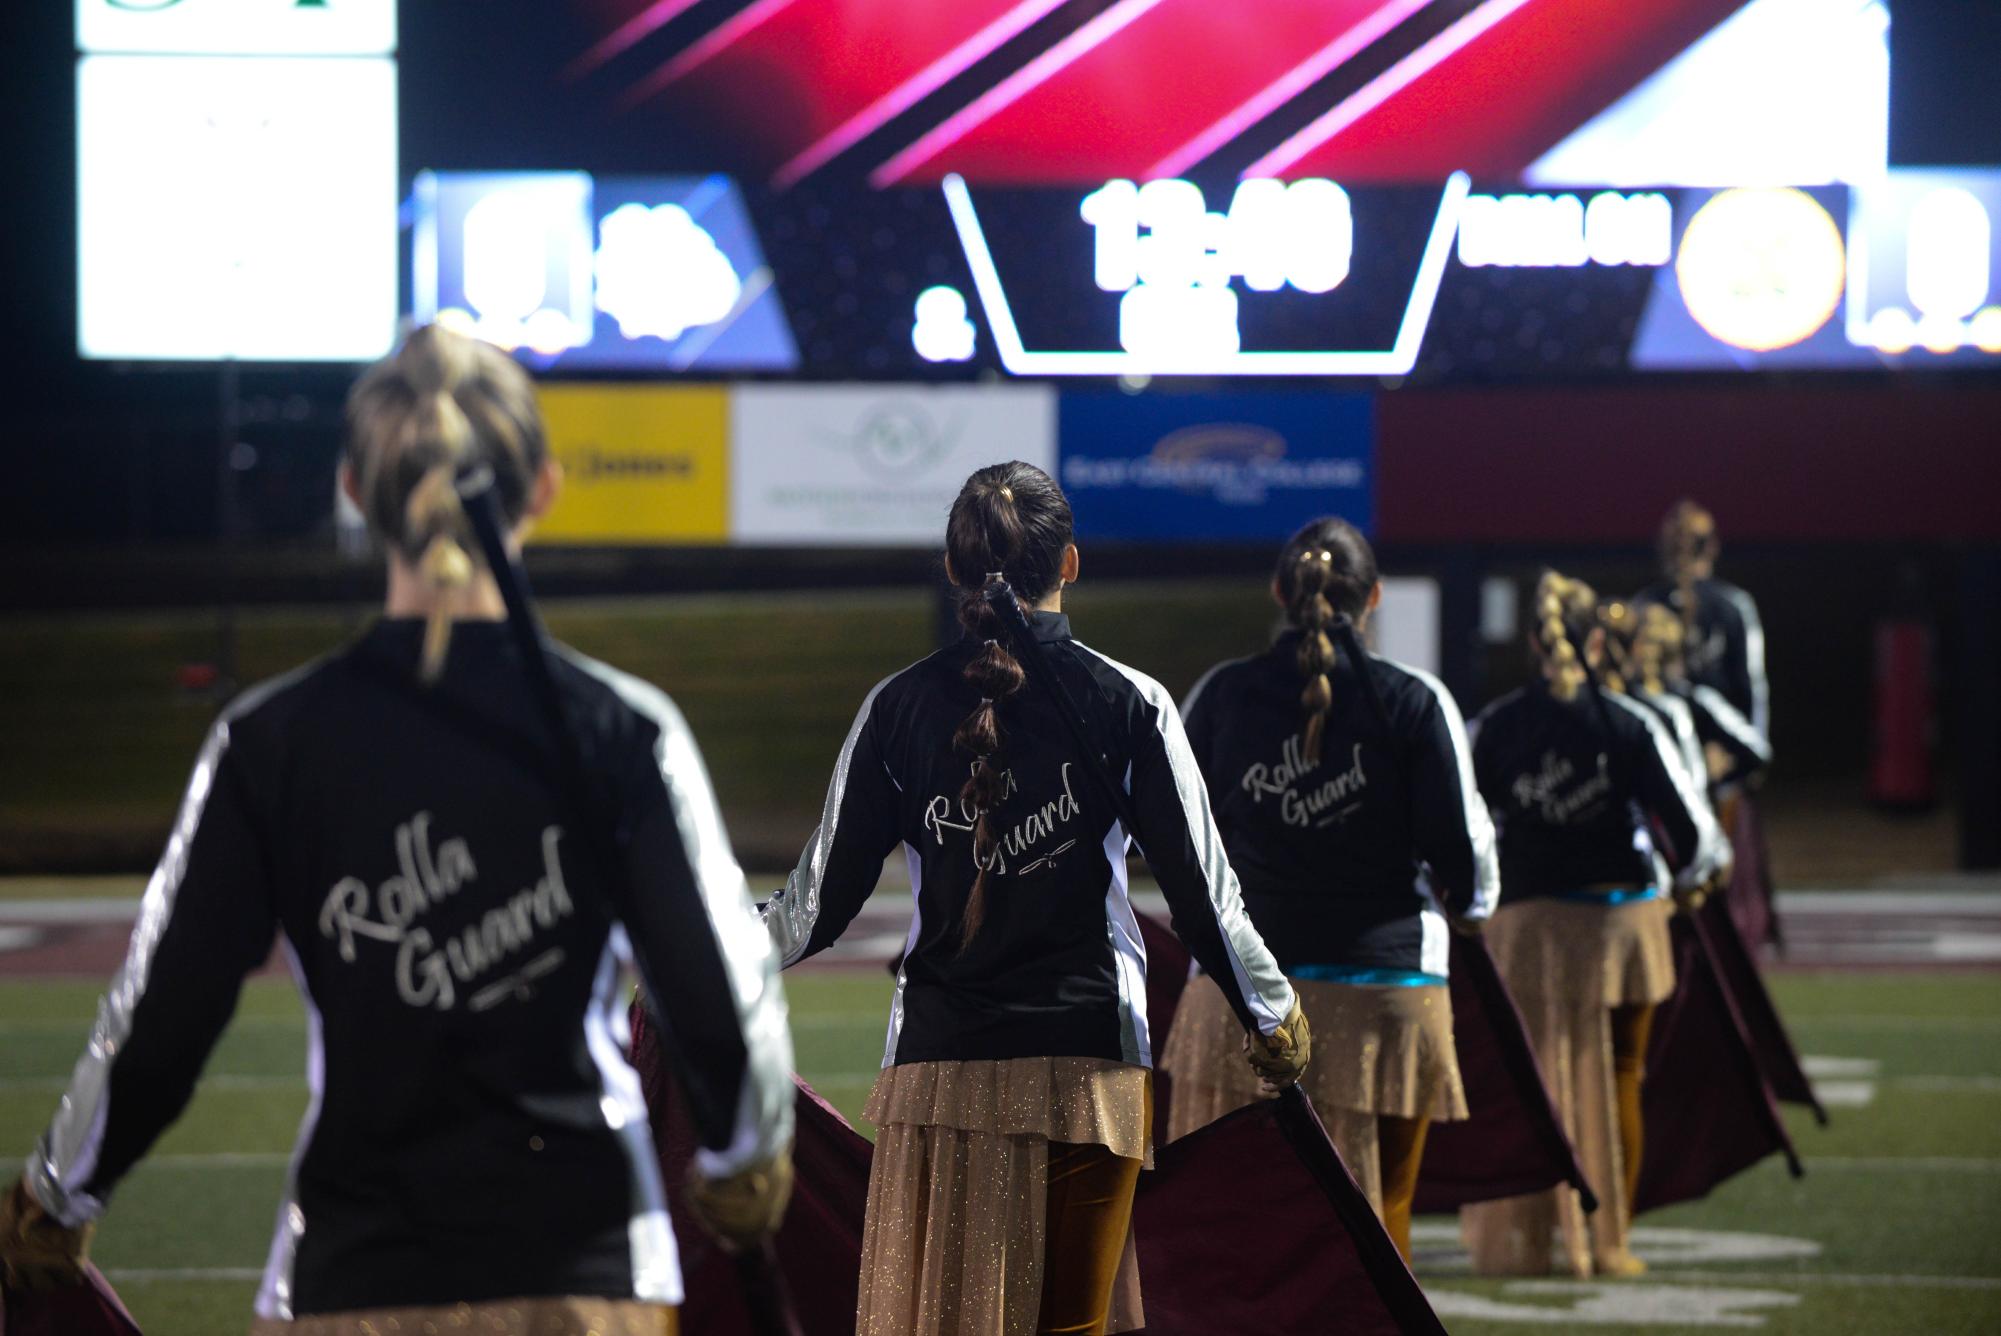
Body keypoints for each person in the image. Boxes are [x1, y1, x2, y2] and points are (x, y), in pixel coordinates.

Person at [0, 326, 795, 1335]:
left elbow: (161, 1019)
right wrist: (745, 1157)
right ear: (542, 487)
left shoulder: (270, 743)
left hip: (352, 1273)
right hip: (588, 1272)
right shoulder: (622, 730)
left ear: (352, 489)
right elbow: (718, 996)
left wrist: (59, 1195)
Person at [762, 461, 1307, 1336]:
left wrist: (702, 970)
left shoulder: (894, 707)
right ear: (1071, 564)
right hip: (1085, 1061)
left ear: (950, 570)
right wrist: (1269, 1009)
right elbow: (1202, 891)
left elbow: (811, 908)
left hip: (938, 1068)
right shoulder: (1130, 702)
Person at [1157, 518, 1498, 1263]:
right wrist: (1471, 914)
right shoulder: (1413, 700)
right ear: (1371, 597)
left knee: (1234, 1231)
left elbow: (1171, 843)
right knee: (1377, 1226)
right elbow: (1465, 862)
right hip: (1386, 986)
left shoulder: (1221, 694)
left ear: (1279, 593)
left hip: (1243, 997)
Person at [1460, 572, 1725, 1279]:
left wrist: (1475, 896)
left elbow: (1455, 826)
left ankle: (1528, 1241)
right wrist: (1690, 885)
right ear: (1600, 639)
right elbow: (1696, 834)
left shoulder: (1495, 724)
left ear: (1530, 642)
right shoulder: (1631, 722)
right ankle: (1611, 1242)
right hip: (1620, 920)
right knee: (1619, 1077)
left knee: (1531, 1078)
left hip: (1525, 924)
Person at [1638, 500, 1770, 747]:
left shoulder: (1644, 604)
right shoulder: (1735, 604)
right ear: (1712, 547)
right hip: (1709, 748)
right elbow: (1752, 687)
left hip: (1674, 747)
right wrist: (1752, 752)